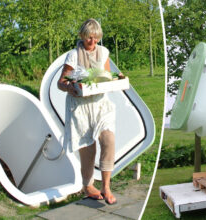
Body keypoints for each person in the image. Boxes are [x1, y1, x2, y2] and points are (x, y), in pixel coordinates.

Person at [57, 18, 121, 205]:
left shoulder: (104, 53)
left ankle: (106, 186)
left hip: (101, 104)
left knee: (108, 139)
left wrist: (118, 79)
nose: (92, 42)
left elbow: (108, 77)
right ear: (82, 37)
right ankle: (87, 185)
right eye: (88, 38)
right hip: (81, 106)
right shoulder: (73, 56)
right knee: (88, 147)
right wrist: (71, 86)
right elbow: (61, 82)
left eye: (95, 38)